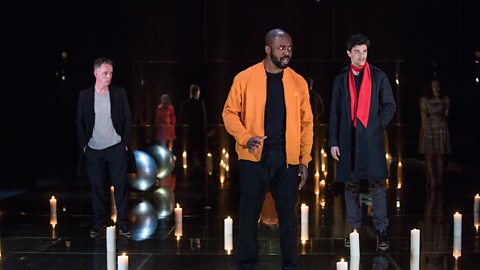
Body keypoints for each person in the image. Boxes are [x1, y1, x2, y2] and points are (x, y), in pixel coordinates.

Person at [222, 28, 313, 270]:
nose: (287, 52)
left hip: (286, 158)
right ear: (267, 49)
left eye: (290, 48)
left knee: (288, 218)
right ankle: (246, 263)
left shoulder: (298, 82)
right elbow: (229, 113)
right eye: (282, 47)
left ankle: (290, 265)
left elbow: (307, 123)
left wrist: (304, 160)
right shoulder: (245, 78)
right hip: (254, 157)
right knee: (249, 213)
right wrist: (245, 137)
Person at [328, 33, 396, 251]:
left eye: (364, 51)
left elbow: (389, 106)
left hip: (371, 139)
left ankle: (382, 230)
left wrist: (376, 125)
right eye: (356, 52)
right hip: (348, 140)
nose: (361, 56)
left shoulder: (378, 76)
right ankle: (354, 229)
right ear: (349, 53)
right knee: (350, 185)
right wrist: (333, 142)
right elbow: (335, 114)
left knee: (377, 185)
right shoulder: (341, 79)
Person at [77, 57, 133, 239]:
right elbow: (79, 122)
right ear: (96, 73)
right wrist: (85, 146)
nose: (109, 77)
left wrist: (124, 144)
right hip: (94, 149)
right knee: (98, 188)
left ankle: (124, 225)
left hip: (116, 147)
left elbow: (127, 119)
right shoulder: (85, 95)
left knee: (120, 187)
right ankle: (99, 223)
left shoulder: (119, 93)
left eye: (110, 73)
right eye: (105, 73)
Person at [418, 79, 451, 188]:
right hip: (430, 127)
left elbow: (446, 115)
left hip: (440, 127)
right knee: (430, 155)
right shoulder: (426, 100)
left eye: (438, 86)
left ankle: (439, 179)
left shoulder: (445, 99)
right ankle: (431, 179)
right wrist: (423, 131)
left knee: (440, 154)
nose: (436, 88)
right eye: (434, 86)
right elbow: (423, 116)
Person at [180, 84, 207, 170]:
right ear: (197, 92)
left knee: (190, 148)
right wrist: (204, 130)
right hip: (198, 129)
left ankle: (190, 166)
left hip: (189, 130)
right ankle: (203, 166)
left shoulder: (185, 103)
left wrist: (184, 129)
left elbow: (182, 117)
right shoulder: (200, 103)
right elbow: (203, 118)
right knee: (200, 149)